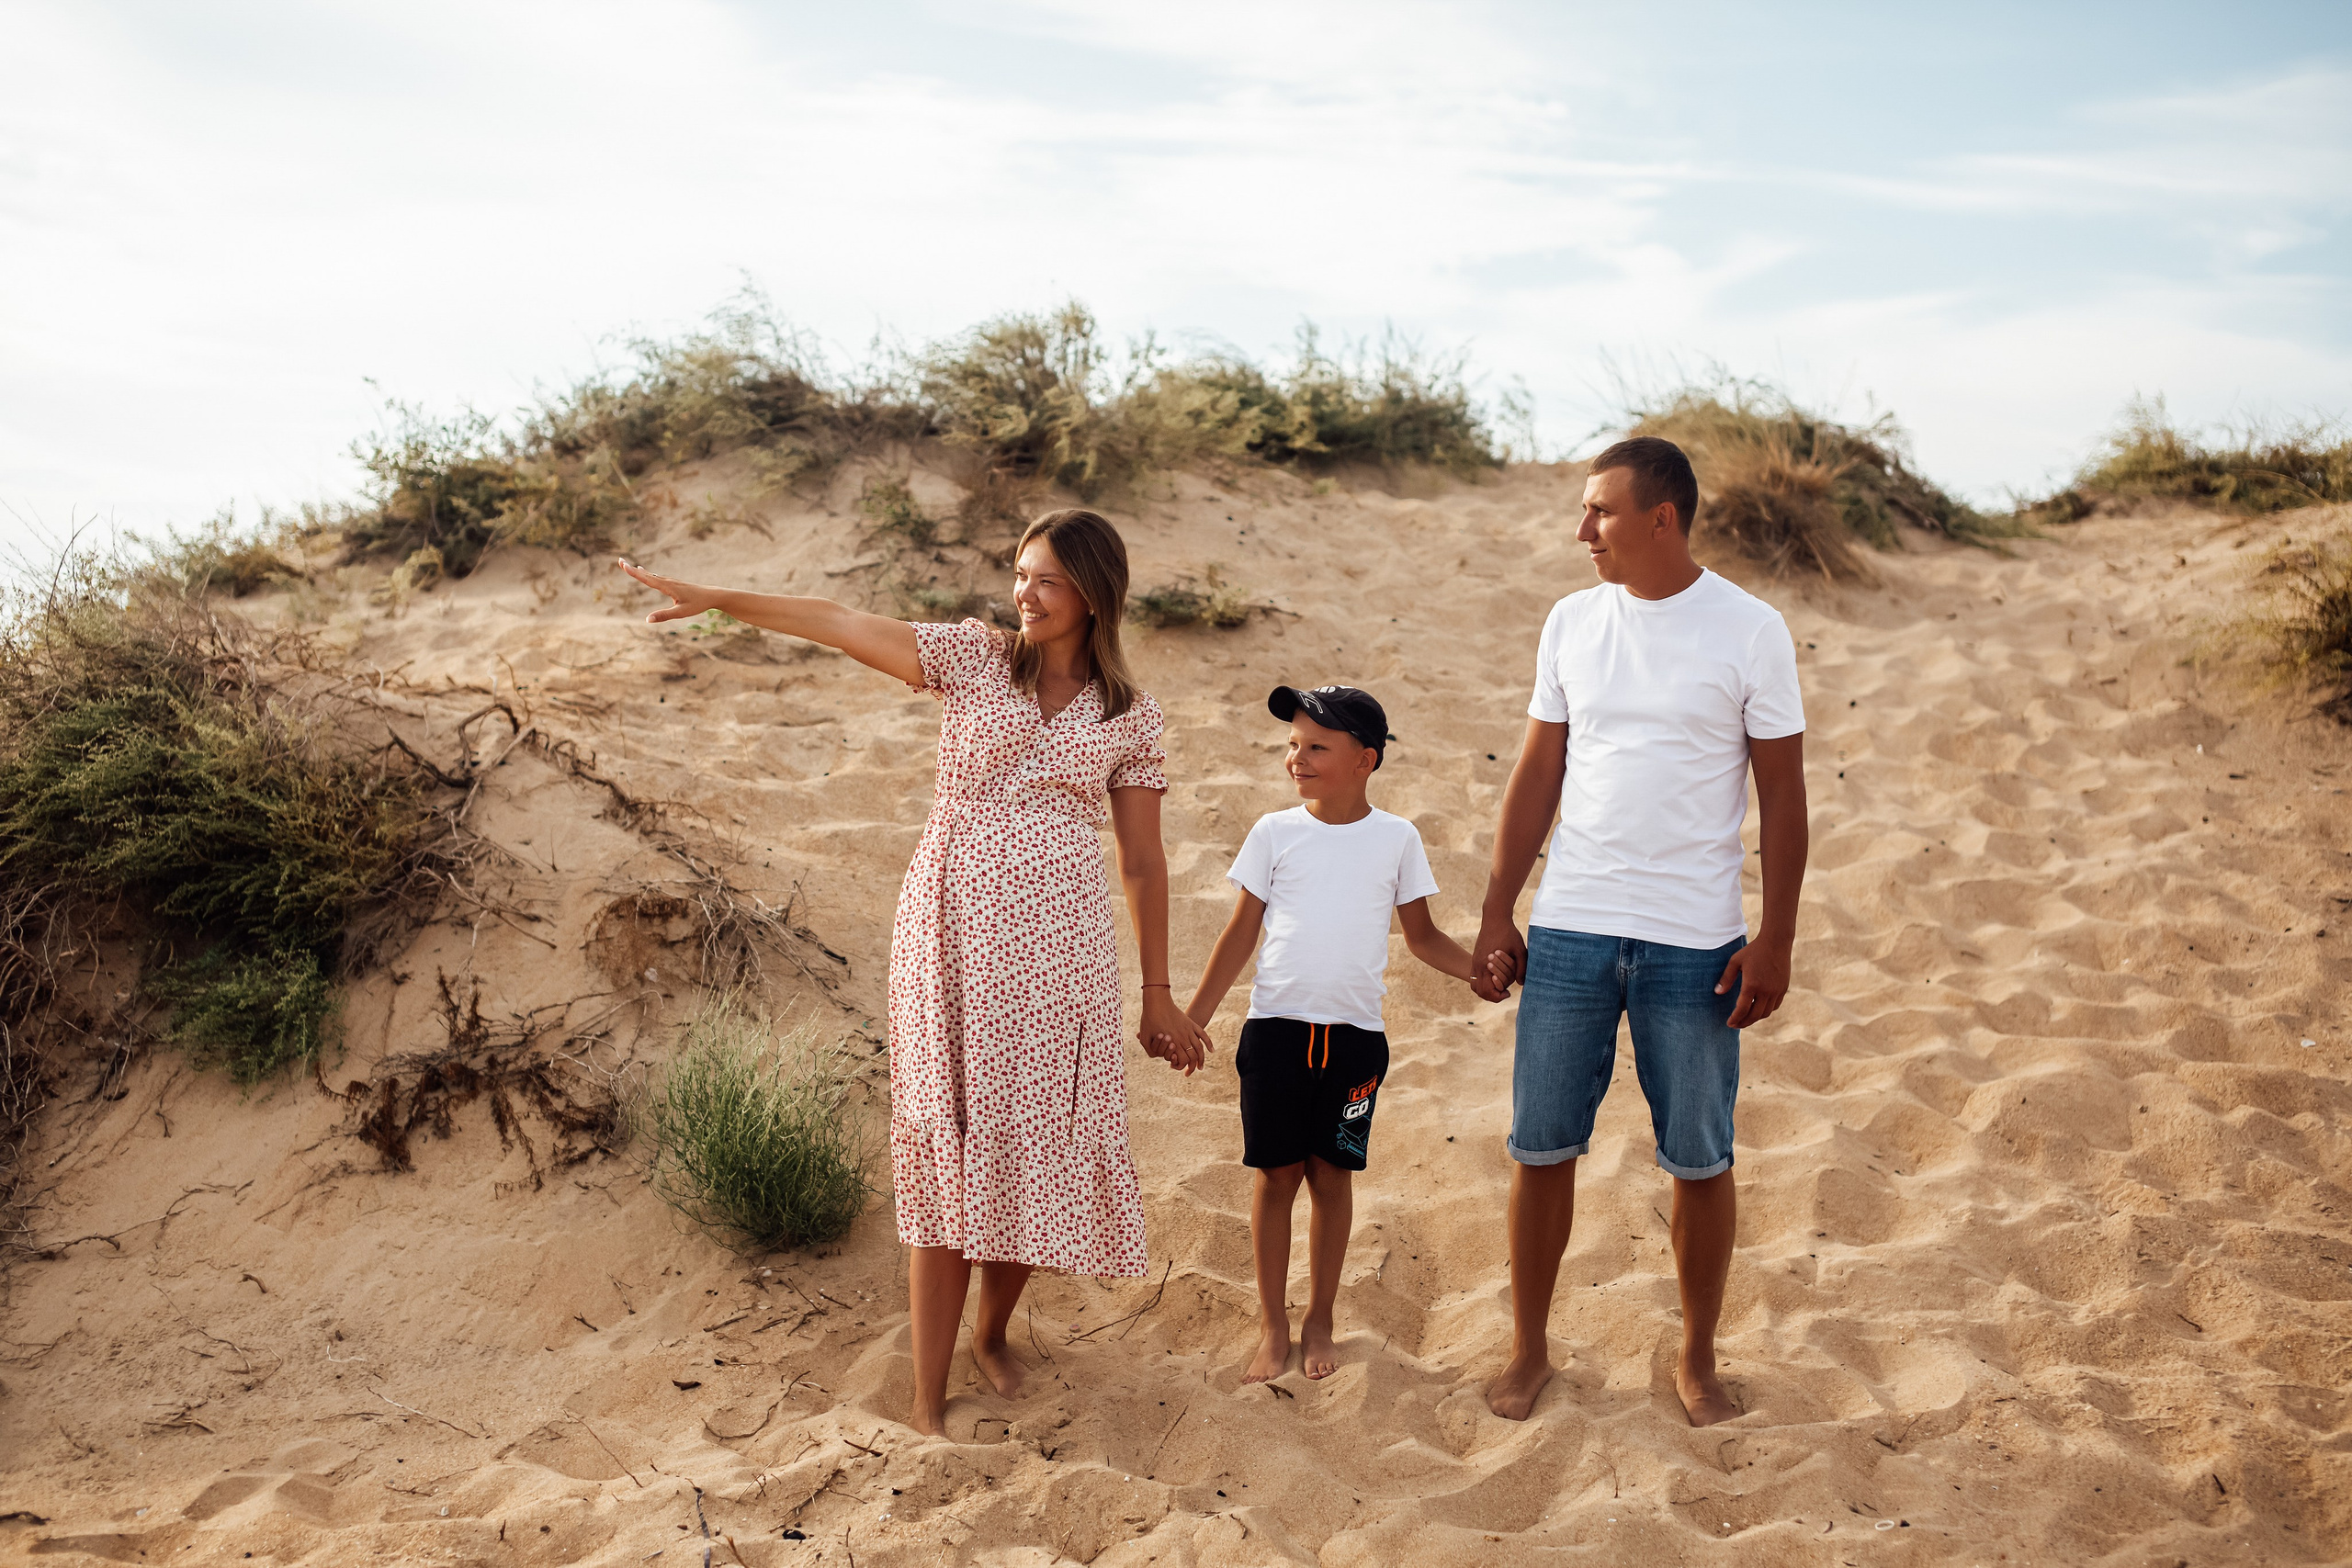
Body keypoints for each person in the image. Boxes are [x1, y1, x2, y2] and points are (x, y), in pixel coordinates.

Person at [615, 509, 1214, 1439]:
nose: (1026, 593)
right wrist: (721, 600)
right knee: (950, 1141)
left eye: (1048, 580)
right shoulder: (975, 659)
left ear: (1097, 592)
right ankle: (928, 1399)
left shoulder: (1129, 716)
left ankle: (993, 1336)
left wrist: (1157, 992)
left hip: (1064, 951)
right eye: (1020, 574)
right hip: (954, 930)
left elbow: (1141, 863)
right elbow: (841, 622)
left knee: (1038, 1148)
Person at [1468, 435, 1809, 1427]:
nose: (1583, 532)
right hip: (1571, 925)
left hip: (1694, 941)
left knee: (1699, 1158)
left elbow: (1783, 800)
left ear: (1661, 519)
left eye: (1601, 513)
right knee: (1539, 1149)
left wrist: (1775, 936)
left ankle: (1696, 1358)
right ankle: (1528, 1349)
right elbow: (1538, 772)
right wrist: (1499, 907)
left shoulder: (1751, 630)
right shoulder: (1572, 622)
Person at [1183, 684, 1486, 1383]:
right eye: (1293, 743)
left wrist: (1483, 973)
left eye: (1316, 745)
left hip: (1354, 1043)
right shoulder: (1273, 833)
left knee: (1331, 1175)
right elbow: (1238, 937)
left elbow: (1423, 937)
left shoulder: (1398, 838)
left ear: (1365, 759)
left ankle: (1319, 1318)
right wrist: (1193, 1017)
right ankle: (1273, 1325)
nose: (1298, 757)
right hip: (1276, 1035)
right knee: (1275, 1176)